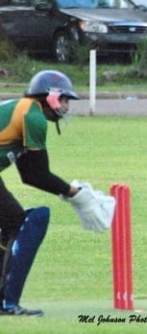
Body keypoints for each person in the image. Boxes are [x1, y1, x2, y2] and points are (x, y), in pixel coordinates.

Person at [0, 70, 114, 316]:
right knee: (19, 224)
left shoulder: (25, 110)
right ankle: (6, 302)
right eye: (64, 99)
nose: (66, 105)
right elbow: (39, 174)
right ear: (50, 96)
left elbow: (29, 175)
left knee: (13, 224)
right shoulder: (33, 117)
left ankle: (3, 300)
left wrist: (69, 193)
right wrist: (76, 194)